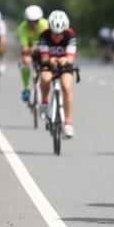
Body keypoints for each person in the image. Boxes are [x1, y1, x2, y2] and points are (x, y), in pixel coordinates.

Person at [38, 10, 78, 138]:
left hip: (64, 63)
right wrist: (50, 60)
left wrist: (65, 59)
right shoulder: (44, 36)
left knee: (66, 86)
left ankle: (68, 123)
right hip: (49, 63)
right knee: (45, 78)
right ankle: (44, 102)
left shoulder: (70, 36)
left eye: (60, 34)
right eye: (54, 33)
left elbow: (71, 58)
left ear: (65, 31)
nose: (56, 37)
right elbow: (44, 58)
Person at [17, 5, 48, 102]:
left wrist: (36, 48)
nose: (34, 24)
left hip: (42, 50)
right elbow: (24, 49)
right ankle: (26, 88)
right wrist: (35, 48)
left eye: (36, 21)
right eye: (31, 22)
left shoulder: (45, 25)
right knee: (26, 61)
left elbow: (49, 44)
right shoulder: (22, 28)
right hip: (31, 50)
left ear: (40, 19)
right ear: (27, 21)